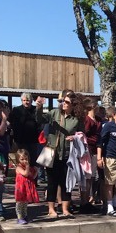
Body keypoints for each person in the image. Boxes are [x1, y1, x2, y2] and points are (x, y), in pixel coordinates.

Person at [36, 89, 86, 219]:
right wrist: (39, 107)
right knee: (52, 182)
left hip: (68, 155)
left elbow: (82, 134)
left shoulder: (76, 119)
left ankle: (65, 209)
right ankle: (51, 209)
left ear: (73, 105)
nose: (64, 103)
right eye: (63, 101)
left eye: (67, 102)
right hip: (52, 154)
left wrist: (75, 137)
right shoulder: (54, 113)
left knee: (66, 183)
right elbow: (40, 119)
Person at [10, 92, 42, 166]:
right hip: (20, 141)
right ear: (21, 101)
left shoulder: (36, 109)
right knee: (21, 160)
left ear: (31, 101)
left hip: (33, 141)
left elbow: (40, 122)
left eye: (28, 100)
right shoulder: (16, 110)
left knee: (33, 161)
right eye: (24, 100)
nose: (26, 102)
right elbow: (12, 123)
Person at [13, 148, 39, 224]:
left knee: (25, 203)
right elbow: (25, 174)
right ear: (18, 160)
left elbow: (32, 177)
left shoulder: (28, 167)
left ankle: (25, 216)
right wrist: (27, 167)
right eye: (22, 159)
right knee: (20, 203)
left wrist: (36, 171)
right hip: (21, 188)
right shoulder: (19, 167)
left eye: (26, 159)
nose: (24, 161)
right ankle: (19, 217)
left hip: (26, 187)